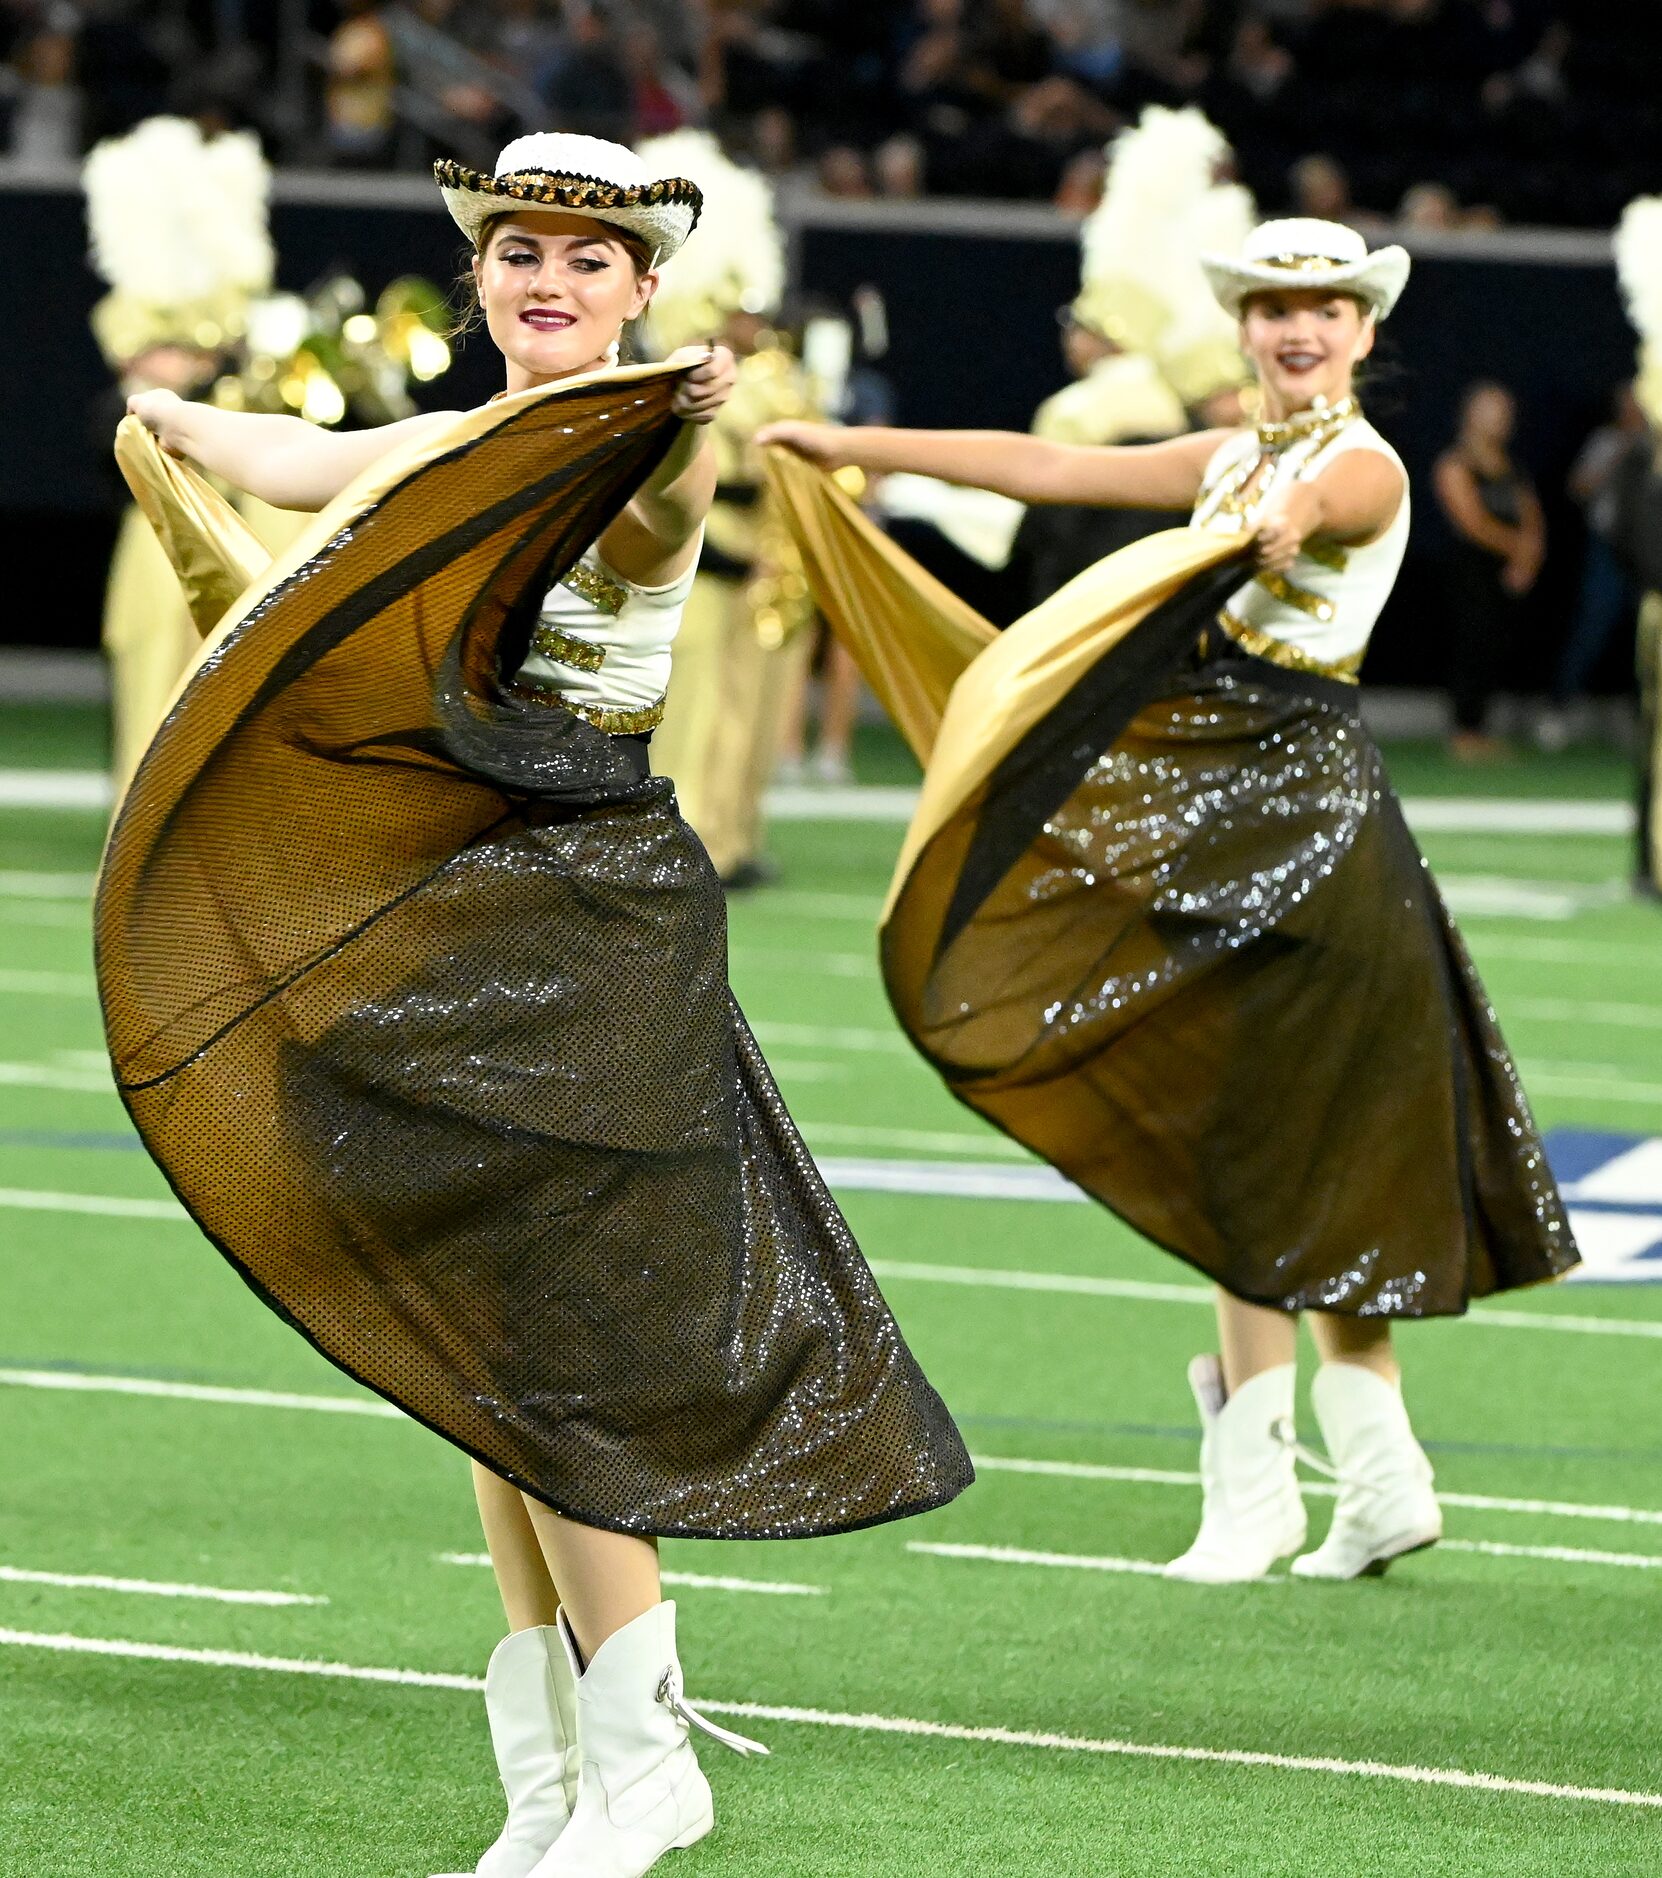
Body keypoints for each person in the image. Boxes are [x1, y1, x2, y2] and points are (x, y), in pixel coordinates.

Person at [109, 131, 971, 1878]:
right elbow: (324, 459)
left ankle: (646, 1762)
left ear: (643, 288)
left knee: (556, 1342)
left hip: (587, 904)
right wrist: (175, 425)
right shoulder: (475, 433)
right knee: (480, 1348)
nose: (547, 279)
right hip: (446, 911)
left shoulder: (640, 437)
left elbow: (616, 492)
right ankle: (554, 1771)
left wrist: (682, 399)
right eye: (520, 252)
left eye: (587, 258)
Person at [761, 216, 1578, 1585]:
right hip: (1216, 818)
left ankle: (1268, 1491)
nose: (1295, 326)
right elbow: (1050, 463)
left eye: (1322, 307)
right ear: (1241, 327)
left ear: (1365, 333)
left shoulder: (1349, 464)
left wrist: (1274, 526)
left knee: (1255, 1151)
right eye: (1270, 306)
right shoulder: (1232, 453)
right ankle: (1376, 1477)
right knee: (1266, 1152)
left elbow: (1329, 510)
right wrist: (858, 450)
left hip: (1302, 836)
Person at [1432, 381, 1545, 759]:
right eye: (1492, 410)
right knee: (1471, 645)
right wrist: (1519, 548)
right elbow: (1472, 522)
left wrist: (1527, 557)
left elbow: (1531, 516)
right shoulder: (1455, 463)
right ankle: (1464, 732)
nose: (1501, 420)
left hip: (1507, 575)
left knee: (1497, 646)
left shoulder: (1510, 466)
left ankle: (1481, 729)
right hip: (1470, 572)